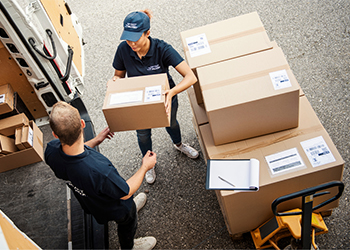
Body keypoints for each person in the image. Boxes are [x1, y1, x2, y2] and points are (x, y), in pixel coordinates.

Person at [44, 101, 157, 250]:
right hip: (117, 206)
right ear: (83, 124)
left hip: (92, 203)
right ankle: (129, 246)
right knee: (128, 221)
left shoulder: (51, 151)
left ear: (55, 134)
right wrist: (145, 167)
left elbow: (74, 151)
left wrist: (96, 140)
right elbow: (125, 192)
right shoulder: (99, 170)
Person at [112, 9, 199, 184]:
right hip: (139, 103)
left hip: (165, 98)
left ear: (148, 33)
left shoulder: (162, 48)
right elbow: (119, 76)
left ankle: (179, 144)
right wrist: (114, 81)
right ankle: (148, 164)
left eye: (136, 38)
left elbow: (191, 77)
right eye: (128, 38)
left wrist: (172, 92)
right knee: (143, 135)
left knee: (172, 123)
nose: (131, 43)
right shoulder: (123, 49)